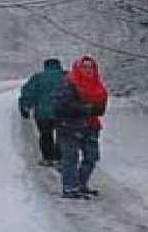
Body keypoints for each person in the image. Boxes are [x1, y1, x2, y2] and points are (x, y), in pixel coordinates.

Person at [51, 55, 108, 199]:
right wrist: (84, 108)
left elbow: (100, 109)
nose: (88, 70)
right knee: (70, 158)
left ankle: (81, 184)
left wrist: (94, 107)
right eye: (85, 67)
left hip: (91, 126)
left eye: (91, 67)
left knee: (92, 157)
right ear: (78, 68)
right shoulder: (68, 83)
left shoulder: (98, 85)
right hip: (69, 126)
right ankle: (70, 187)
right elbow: (59, 106)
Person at [19, 58, 65, 166]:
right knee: (62, 135)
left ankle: (47, 158)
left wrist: (25, 107)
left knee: (45, 135)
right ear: (59, 65)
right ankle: (60, 158)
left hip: (42, 113)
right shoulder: (66, 76)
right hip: (63, 112)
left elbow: (28, 93)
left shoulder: (38, 78)